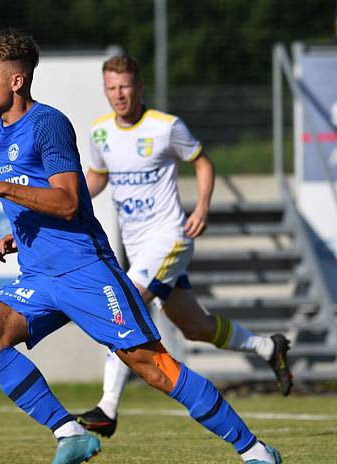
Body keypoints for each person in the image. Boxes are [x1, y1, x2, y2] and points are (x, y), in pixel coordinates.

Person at [0, 28, 281, 464]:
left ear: (17, 81)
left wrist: (0, 189)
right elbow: (42, 196)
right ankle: (69, 434)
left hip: (86, 271)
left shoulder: (48, 124)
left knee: (154, 369)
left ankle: (255, 452)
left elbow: (69, 202)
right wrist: (17, 230)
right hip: (39, 275)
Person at [76, 56, 293, 439]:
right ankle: (266, 347)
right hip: (138, 245)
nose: (119, 95)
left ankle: (107, 407)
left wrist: (203, 207)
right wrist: (71, 202)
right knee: (195, 327)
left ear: (139, 87)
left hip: (170, 237)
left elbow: (203, 162)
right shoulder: (100, 132)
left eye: (125, 86)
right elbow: (98, 176)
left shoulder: (165, 127)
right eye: (111, 88)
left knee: (123, 305)